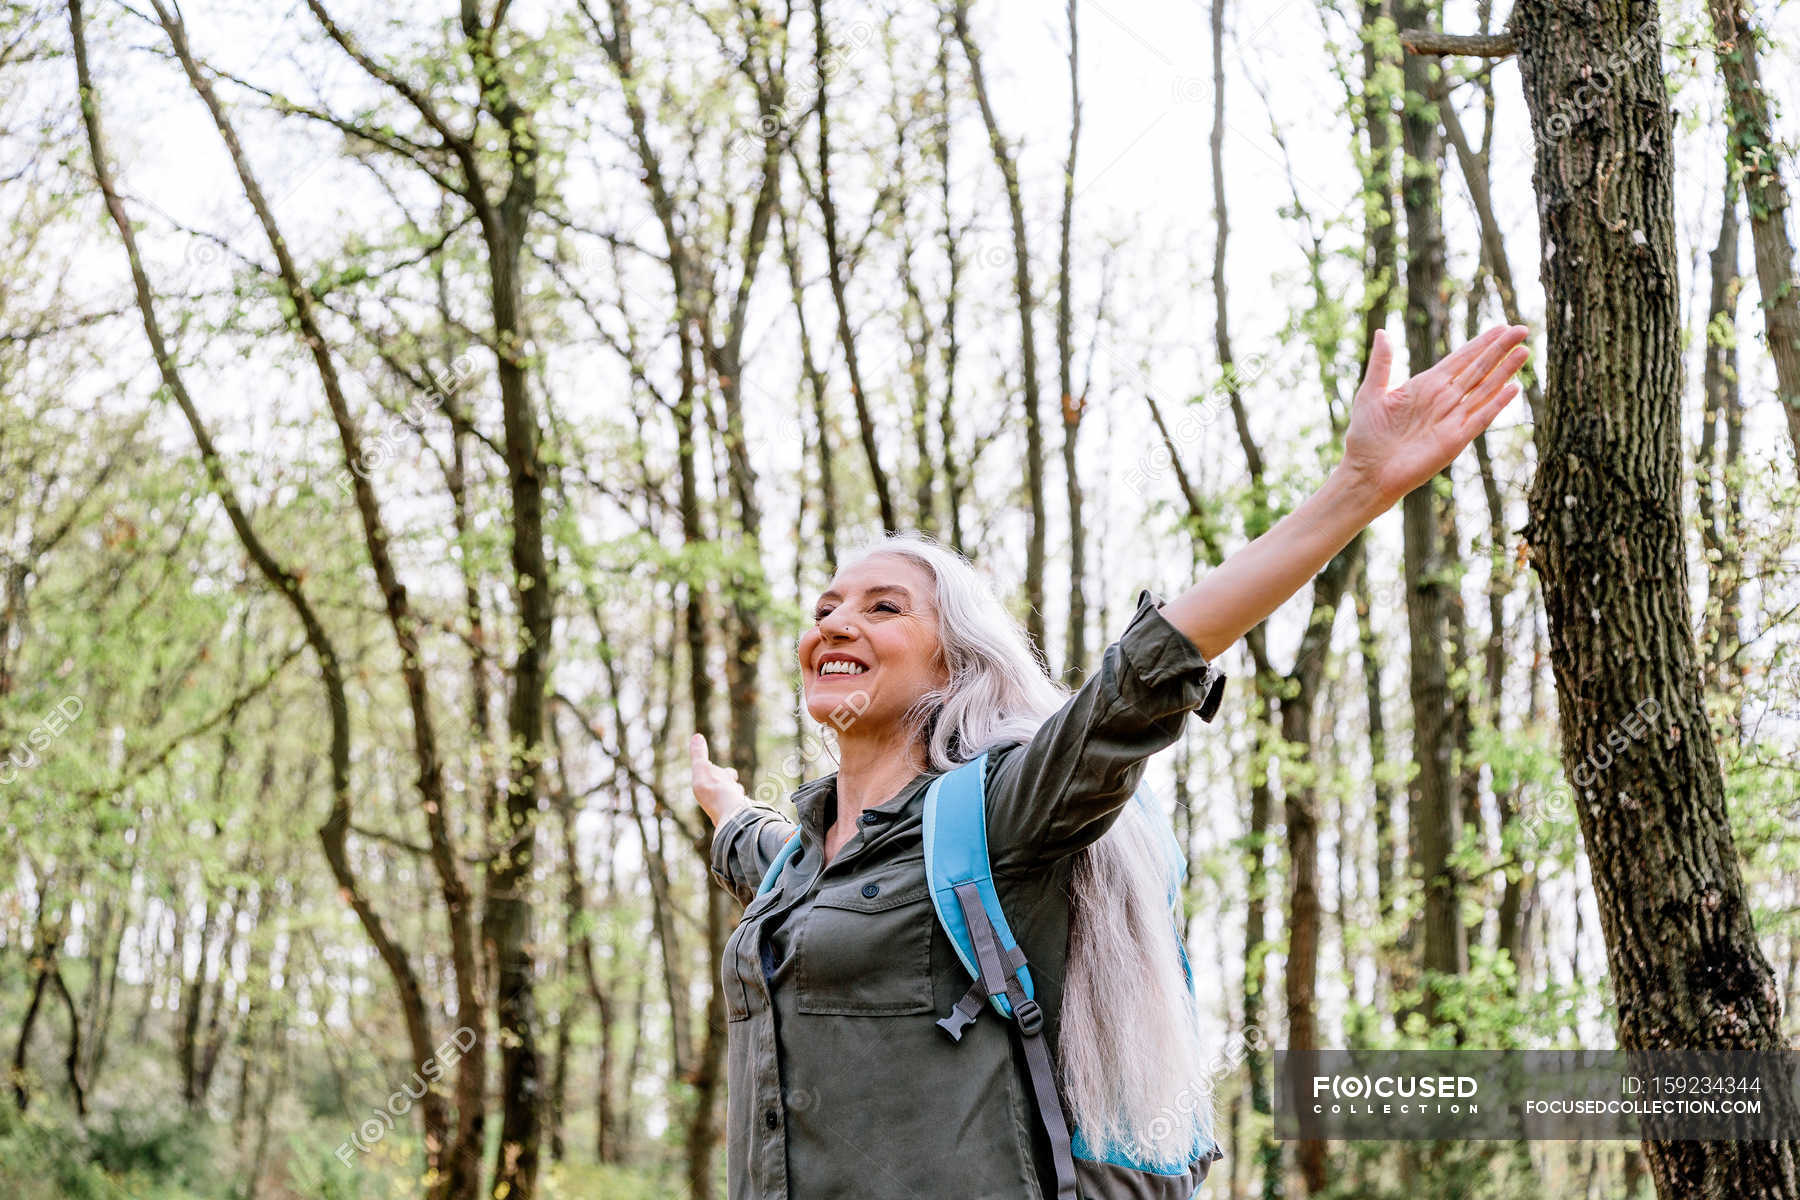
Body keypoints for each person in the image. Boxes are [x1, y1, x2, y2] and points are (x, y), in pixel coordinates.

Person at [692, 325, 1531, 1199]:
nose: (835, 622)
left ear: (955, 664)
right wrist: (721, 802)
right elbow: (755, 851)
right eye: (826, 606)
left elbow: (1139, 680)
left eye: (883, 607)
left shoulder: (1001, 815)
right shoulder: (797, 863)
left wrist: (1354, 490)